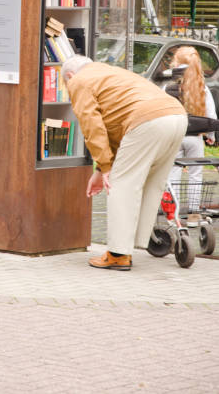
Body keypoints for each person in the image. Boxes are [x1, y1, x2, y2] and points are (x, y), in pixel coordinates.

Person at [61, 54, 187, 271]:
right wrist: (101, 169)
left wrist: (107, 167)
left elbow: (92, 125)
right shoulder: (111, 73)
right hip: (176, 116)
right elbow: (116, 124)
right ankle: (139, 241)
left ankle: (118, 254)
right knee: (152, 182)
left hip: (147, 121)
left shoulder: (78, 81)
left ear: (70, 76)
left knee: (121, 185)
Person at [165, 46, 217, 216]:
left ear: (176, 62)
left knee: (173, 173)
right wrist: (210, 136)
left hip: (174, 136)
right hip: (195, 138)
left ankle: (175, 212)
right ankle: (194, 212)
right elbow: (210, 114)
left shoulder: (167, 86)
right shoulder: (202, 86)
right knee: (196, 175)